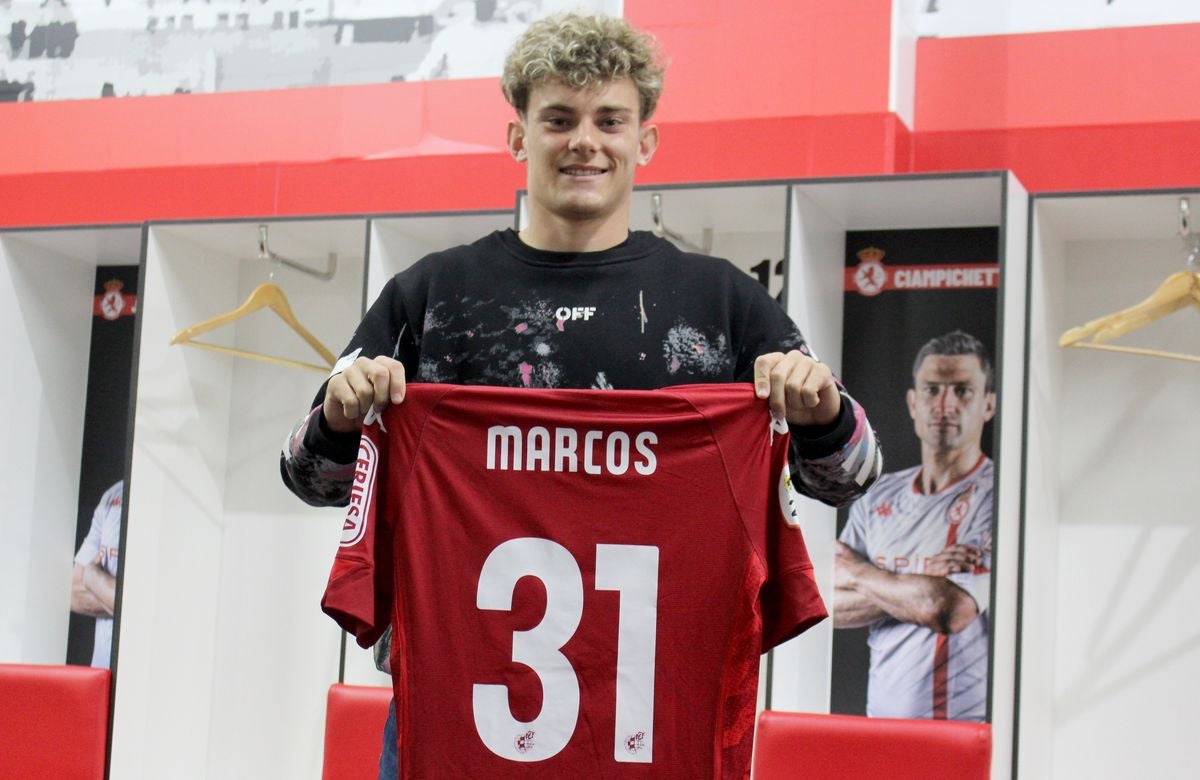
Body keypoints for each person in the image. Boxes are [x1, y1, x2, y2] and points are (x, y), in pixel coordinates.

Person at [282, 13, 882, 777]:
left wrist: (822, 408)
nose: (584, 143)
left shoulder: (721, 304)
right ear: (518, 137)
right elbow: (309, 477)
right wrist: (338, 415)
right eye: (558, 120)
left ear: (646, 141)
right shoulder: (433, 295)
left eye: (610, 121)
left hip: (656, 721)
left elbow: (852, 473)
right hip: (454, 717)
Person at [833, 330, 995, 721]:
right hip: (879, 724)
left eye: (962, 391)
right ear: (912, 402)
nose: (945, 405)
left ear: (988, 405)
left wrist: (857, 571)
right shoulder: (877, 495)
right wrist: (923, 579)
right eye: (932, 389)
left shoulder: (996, 494)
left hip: (958, 730)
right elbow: (826, 605)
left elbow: (949, 609)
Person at [70, 480, 123, 670]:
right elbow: (73, 594)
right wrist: (111, 594)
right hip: (101, 676)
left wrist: (92, 577)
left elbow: (146, 606)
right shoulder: (113, 495)